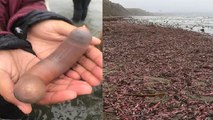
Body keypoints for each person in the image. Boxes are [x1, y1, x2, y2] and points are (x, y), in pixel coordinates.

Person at [0, 0, 102, 119]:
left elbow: (27, 3)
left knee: (15, 109)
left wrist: (33, 20)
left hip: (16, 48)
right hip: (13, 63)